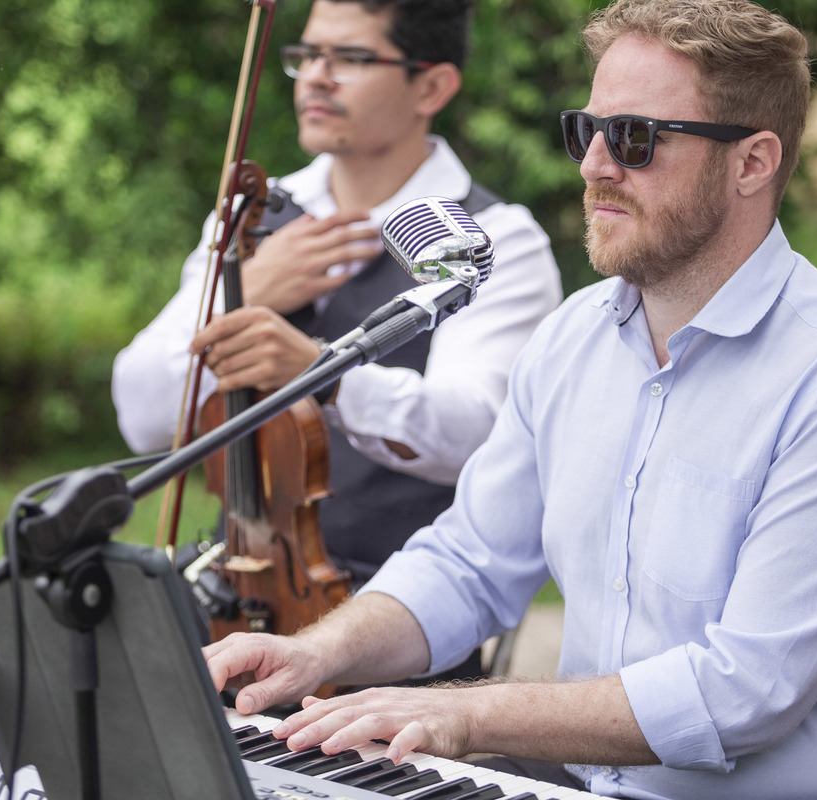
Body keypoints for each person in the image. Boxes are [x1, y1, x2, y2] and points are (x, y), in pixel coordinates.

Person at [201, 1, 817, 797]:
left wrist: (462, 715)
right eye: (583, 132)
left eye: (634, 137)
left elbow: (744, 694)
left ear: (753, 162)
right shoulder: (574, 339)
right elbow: (470, 563)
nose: (594, 165)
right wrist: (319, 653)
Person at [110, 0, 561, 677]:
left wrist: (325, 375)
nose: (315, 77)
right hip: (229, 587)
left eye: (349, 58)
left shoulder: (495, 239)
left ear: (431, 86)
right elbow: (141, 417)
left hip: (386, 616)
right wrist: (251, 288)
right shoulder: (252, 217)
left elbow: (478, 435)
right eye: (307, 55)